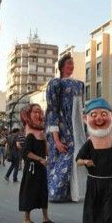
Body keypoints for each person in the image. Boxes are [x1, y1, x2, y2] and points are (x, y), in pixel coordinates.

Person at [46, 53, 87, 202]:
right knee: (66, 156)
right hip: (63, 128)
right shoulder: (56, 84)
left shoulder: (79, 84)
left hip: (77, 129)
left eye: (72, 63)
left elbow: (81, 109)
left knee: (78, 155)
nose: (72, 66)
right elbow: (53, 111)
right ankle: (55, 191)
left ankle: (73, 192)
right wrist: (56, 139)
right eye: (69, 63)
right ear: (62, 67)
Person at [18, 104, 55, 223]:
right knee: (29, 192)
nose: (38, 115)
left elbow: (47, 152)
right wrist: (40, 159)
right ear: (29, 114)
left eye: (40, 112)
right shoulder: (29, 135)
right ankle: (26, 219)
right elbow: (26, 153)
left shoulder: (40, 133)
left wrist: (45, 140)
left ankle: (45, 217)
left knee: (43, 192)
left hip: (41, 168)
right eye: (35, 112)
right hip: (31, 169)